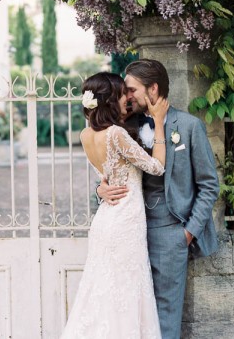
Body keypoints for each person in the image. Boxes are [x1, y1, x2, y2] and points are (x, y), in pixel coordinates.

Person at [97, 59, 220, 339]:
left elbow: (209, 185)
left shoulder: (189, 127)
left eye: (131, 89)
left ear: (153, 89)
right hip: (128, 233)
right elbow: (108, 172)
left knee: (165, 315)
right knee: (128, 313)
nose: (126, 96)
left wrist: (187, 233)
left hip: (169, 233)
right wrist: (99, 191)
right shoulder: (123, 127)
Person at [61, 72, 169, 339]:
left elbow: (105, 177)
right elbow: (156, 167)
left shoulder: (86, 134)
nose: (127, 99)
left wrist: (100, 189)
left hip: (107, 219)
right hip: (125, 223)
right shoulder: (116, 134)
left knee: (103, 292)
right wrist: (158, 123)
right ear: (111, 100)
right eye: (122, 94)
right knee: (126, 291)